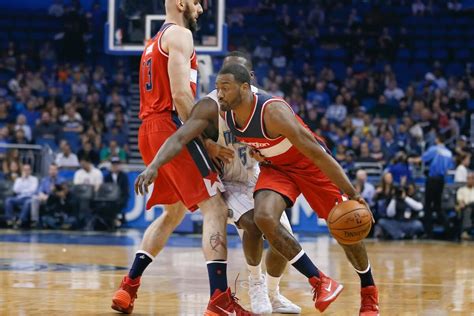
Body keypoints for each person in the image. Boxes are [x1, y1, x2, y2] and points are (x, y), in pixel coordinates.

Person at [138, 64, 379, 314]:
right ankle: (318, 281)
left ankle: (369, 292)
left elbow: (318, 154)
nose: (219, 94)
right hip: (275, 168)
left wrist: (353, 194)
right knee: (262, 218)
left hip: (310, 166)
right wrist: (157, 164)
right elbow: (181, 136)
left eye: (225, 88)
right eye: (217, 88)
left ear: (245, 87)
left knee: (346, 230)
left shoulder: (272, 111)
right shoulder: (226, 112)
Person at [111, 2, 251, 315]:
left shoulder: (152, 43)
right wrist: (206, 141)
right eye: (197, 1)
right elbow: (181, 95)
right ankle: (220, 299)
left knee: (173, 214)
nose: (201, 8)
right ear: (180, 3)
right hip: (170, 126)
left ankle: (128, 287)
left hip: (148, 129)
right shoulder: (180, 35)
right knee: (214, 205)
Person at [135, 51, 300, 314]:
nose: (225, 88)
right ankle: (255, 284)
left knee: (284, 239)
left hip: (256, 176)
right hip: (227, 181)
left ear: (248, 81)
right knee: (252, 224)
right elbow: (182, 136)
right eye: (223, 80)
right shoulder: (211, 106)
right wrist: (159, 163)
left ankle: (273, 293)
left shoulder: (266, 106)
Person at [411, 134, 454, 238]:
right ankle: (450, 230)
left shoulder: (435, 149)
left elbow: (422, 159)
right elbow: (450, 167)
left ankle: (428, 233)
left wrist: (410, 160)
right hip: (441, 180)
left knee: (428, 207)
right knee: (438, 207)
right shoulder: (449, 153)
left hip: (432, 180)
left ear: (438, 139)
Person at [5, 163, 38, 227]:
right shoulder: (19, 179)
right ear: (22, 170)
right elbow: (15, 190)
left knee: (27, 202)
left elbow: (33, 190)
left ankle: (20, 220)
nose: (26, 171)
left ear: (30, 171)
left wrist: (22, 191)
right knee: (8, 200)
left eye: (28, 170)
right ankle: (10, 220)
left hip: (29, 198)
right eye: (25, 170)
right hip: (19, 198)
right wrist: (22, 180)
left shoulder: (34, 179)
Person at [104, 157, 129, 227]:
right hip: (109, 200)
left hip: (120, 199)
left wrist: (121, 199)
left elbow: (125, 191)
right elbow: (105, 190)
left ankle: (115, 221)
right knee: (107, 205)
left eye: (117, 164)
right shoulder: (107, 177)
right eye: (113, 164)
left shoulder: (124, 177)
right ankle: (114, 221)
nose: (115, 166)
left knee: (116, 204)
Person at [456, 172, 474, 240]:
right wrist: (462, 204)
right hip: (466, 208)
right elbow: (460, 201)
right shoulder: (461, 190)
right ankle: (465, 232)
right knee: (467, 208)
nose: (470, 180)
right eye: (468, 179)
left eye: (472, 178)